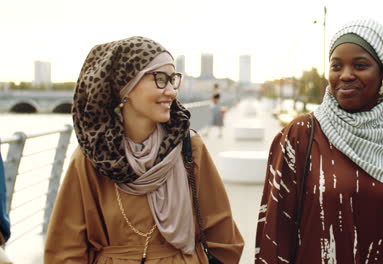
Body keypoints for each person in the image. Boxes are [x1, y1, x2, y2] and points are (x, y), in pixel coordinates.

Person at [255, 19, 383, 263]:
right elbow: (275, 231)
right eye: (336, 66)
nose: (345, 76)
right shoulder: (301, 135)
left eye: (360, 65)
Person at [44, 36, 243, 263]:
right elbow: (65, 250)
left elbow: (224, 238)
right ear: (125, 86)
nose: (171, 91)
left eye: (172, 80)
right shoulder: (92, 157)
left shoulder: (189, 147)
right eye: (160, 79)